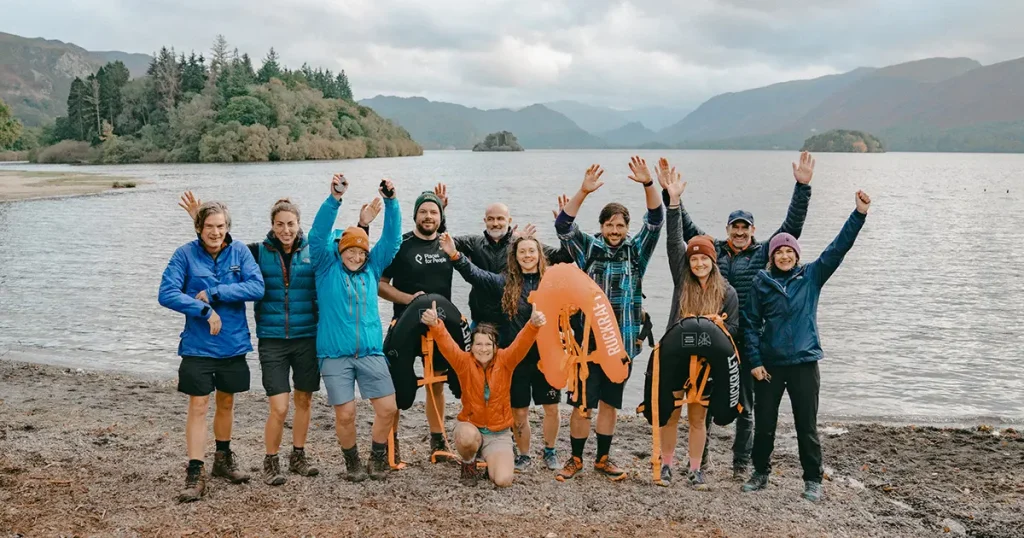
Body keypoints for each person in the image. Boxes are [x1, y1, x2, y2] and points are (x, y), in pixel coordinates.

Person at [176, 192, 383, 486]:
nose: (286, 230)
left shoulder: (316, 251)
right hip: (272, 339)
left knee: (304, 400)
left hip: (307, 336)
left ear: (299, 224)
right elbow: (221, 246)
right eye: (280, 224)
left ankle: (298, 455)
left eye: (291, 224)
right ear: (272, 225)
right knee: (279, 406)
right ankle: (271, 459)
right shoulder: (257, 252)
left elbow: (351, 251)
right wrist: (197, 217)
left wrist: (363, 224)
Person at [673, 152, 815, 478]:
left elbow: (791, 228)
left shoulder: (764, 252)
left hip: (749, 339)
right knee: (703, 401)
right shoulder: (714, 249)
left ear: (753, 231)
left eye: (745, 228)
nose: (739, 232)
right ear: (727, 229)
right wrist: (674, 197)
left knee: (746, 406)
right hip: (712, 337)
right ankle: (701, 461)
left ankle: (740, 465)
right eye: (735, 227)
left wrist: (802, 188)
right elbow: (686, 228)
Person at [741, 191, 872, 502]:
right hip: (770, 365)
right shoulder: (762, 283)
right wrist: (755, 361)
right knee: (765, 426)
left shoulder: (812, 276)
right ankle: (760, 472)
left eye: (789, 251)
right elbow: (749, 324)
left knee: (806, 426)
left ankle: (813, 479)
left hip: (804, 363)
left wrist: (859, 214)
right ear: (771, 257)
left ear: (796, 255)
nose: (784, 256)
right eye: (778, 252)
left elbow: (838, 248)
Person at [553, 156, 665, 481]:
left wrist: (648, 183)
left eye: (620, 226)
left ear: (627, 228)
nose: (615, 231)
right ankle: (575, 459)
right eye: (609, 225)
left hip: (622, 345)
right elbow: (563, 226)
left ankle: (602, 458)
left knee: (610, 405)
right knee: (581, 405)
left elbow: (656, 220)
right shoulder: (589, 248)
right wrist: (583, 191)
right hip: (587, 343)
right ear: (601, 227)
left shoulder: (636, 252)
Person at [158, 201, 265, 503]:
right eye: (209, 227)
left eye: (220, 226)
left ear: (227, 228)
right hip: (197, 346)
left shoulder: (240, 252)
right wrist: (204, 310)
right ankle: (196, 470)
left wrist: (218, 293)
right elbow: (166, 293)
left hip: (233, 344)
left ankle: (222, 458)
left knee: (227, 402)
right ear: (199, 228)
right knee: (199, 406)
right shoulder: (185, 254)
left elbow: (257, 287)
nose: (215, 232)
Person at [440, 232, 563, 471]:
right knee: (519, 411)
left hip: (547, 357)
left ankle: (550, 451)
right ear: (514, 258)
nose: (527, 256)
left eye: (531, 251)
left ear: (540, 255)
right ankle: (524, 455)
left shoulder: (553, 282)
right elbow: (476, 275)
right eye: (522, 252)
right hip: (515, 358)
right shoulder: (505, 283)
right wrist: (455, 256)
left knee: (552, 408)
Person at [310, 174, 401, 481]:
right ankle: (352, 463)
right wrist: (334, 198)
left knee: (388, 408)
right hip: (335, 355)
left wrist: (392, 202)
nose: (356, 255)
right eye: (350, 250)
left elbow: (392, 240)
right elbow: (317, 235)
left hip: (371, 352)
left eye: (361, 251)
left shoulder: (372, 269)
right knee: (345, 414)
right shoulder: (325, 268)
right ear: (340, 250)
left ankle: (377, 458)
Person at [657, 158, 739, 489]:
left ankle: (695, 469)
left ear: (713, 261)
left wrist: (717, 327)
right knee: (672, 414)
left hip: (706, 363)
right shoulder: (682, 279)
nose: (699, 262)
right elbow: (674, 240)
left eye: (705, 257)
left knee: (698, 417)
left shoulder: (727, 291)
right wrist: (673, 202)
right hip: (676, 357)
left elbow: (733, 330)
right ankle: (665, 465)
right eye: (694, 258)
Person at [418, 300, 547, 487]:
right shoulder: (463, 362)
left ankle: (490, 460)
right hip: (472, 426)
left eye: (488, 344)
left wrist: (533, 324)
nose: (483, 349)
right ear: (472, 346)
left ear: (496, 346)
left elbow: (521, 344)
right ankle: (469, 463)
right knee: (466, 437)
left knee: (503, 481)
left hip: (499, 433)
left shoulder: (506, 361)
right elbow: (447, 344)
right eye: (478, 344)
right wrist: (435, 324)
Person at [378, 188, 457, 462]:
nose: (428, 216)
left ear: (440, 216)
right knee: (397, 381)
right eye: (423, 211)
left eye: (433, 211)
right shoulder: (401, 245)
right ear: (415, 216)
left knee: (436, 384)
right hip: (405, 324)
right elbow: (380, 285)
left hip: (438, 326)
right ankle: (392, 441)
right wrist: (408, 299)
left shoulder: (447, 245)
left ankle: (438, 441)